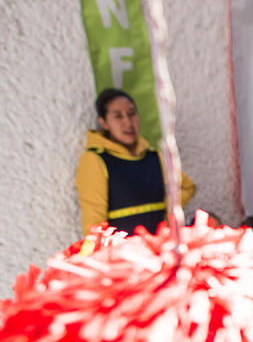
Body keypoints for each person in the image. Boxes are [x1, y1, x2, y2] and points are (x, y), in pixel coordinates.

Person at [75, 88, 196, 236]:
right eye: (118, 116)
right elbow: (94, 225)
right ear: (104, 123)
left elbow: (187, 187)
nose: (128, 122)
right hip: (123, 254)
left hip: (159, 248)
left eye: (131, 114)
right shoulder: (95, 159)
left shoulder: (153, 156)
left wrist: (164, 208)